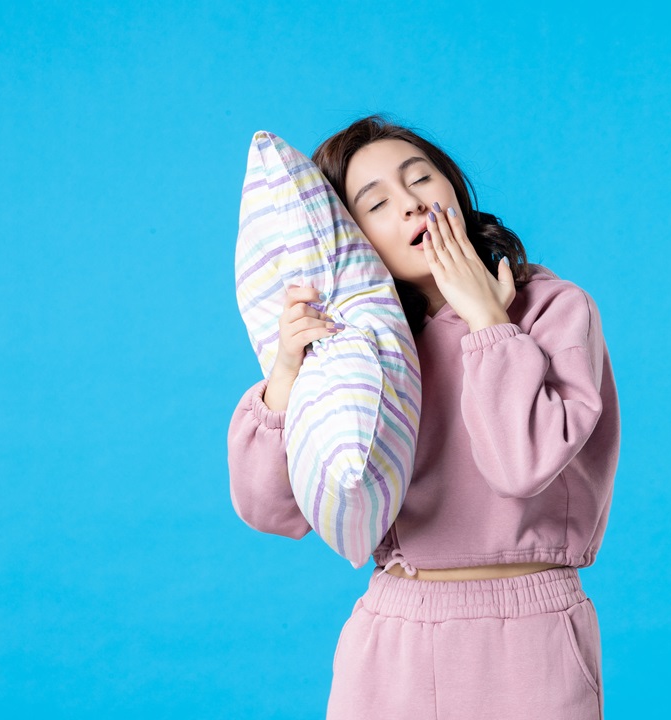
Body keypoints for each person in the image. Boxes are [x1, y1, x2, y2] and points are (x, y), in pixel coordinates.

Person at [227, 114, 621, 719]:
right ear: (351, 236)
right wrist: (285, 377)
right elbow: (272, 511)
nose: (411, 206)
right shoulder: (363, 348)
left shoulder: (551, 309)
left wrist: (489, 323)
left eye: (422, 180)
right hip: (395, 634)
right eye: (377, 203)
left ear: (455, 193)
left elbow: (521, 465)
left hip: (530, 627)